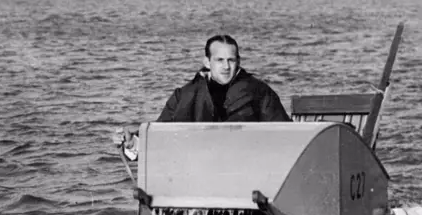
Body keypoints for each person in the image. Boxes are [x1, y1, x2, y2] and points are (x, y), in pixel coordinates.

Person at [113, 34, 291, 153]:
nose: (226, 66)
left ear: (239, 61)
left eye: (231, 60)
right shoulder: (183, 96)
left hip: (248, 174)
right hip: (195, 175)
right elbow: (159, 141)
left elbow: (286, 138)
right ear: (207, 62)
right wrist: (132, 143)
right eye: (219, 60)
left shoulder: (260, 93)